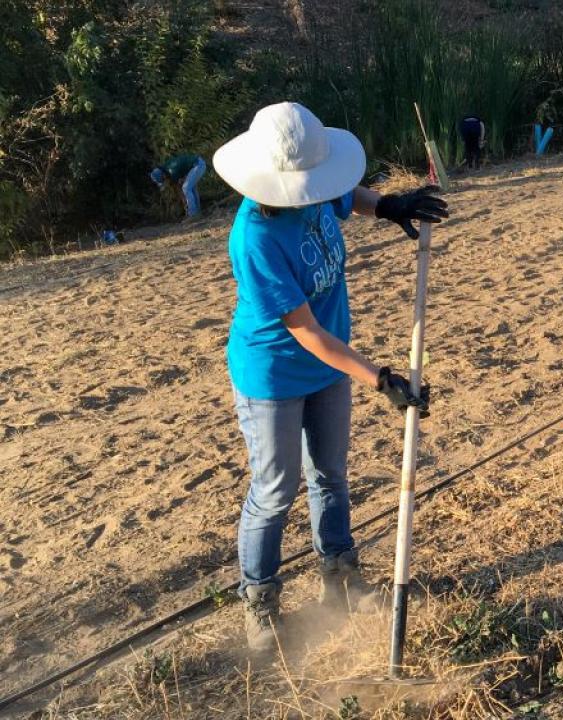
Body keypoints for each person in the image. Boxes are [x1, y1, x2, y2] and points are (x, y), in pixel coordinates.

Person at [211, 101, 449, 654]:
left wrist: (389, 204)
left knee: (330, 473)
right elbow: (306, 332)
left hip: (330, 363)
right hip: (273, 371)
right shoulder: (255, 238)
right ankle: (261, 602)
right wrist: (380, 377)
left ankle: (340, 577)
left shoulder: (316, 189)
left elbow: (349, 197)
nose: (312, 196)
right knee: (274, 489)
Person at [150, 153, 207, 219]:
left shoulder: (171, 171)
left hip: (198, 165)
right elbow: (178, 188)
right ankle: (197, 213)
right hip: (197, 164)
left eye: (163, 180)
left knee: (186, 188)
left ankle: (193, 215)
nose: (165, 181)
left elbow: (179, 187)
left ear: (163, 176)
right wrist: (184, 202)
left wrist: (185, 203)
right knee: (191, 188)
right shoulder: (165, 167)